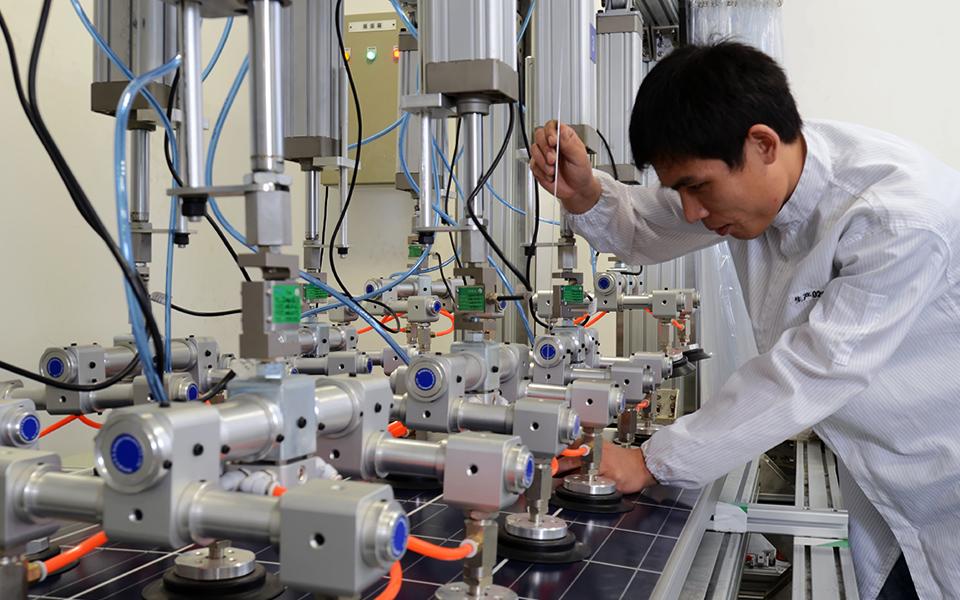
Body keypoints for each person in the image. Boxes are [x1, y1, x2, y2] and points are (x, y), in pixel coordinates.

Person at [530, 41, 960, 600]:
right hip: (882, 483)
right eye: (678, 189)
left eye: (697, 187)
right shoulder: (760, 174)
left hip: (944, 489)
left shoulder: (896, 218)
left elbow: (814, 370)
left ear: (762, 144)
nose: (692, 211)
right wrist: (587, 192)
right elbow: (646, 225)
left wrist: (651, 461)